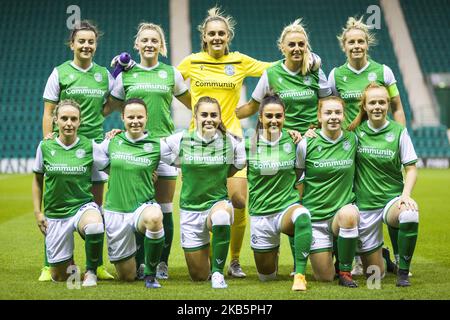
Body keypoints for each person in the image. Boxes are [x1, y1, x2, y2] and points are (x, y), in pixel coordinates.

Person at [177, 7, 321, 278]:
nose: (217, 37)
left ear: (228, 35)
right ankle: (206, 254)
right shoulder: (192, 62)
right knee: (200, 197)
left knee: (239, 200)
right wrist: (193, 106)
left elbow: (276, 67)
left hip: (232, 138)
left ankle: (233, 260)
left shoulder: (239, 60)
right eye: (212, 34)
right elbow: (171, 82)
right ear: (204, 37)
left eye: (221, 33)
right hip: (198, 140)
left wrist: (311, 57)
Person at [107, 22, 191, 280]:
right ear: (137, 45)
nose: (149, 44)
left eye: (154, 40)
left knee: (164, 207)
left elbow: (194, 105)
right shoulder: (127, 75)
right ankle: (142, 262)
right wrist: (113, 76)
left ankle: (161, 263)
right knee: (139, 207)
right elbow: (108, 108)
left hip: (162, 147)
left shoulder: (171, 73)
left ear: (161, 45)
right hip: (133, 149)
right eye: (145, 40)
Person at [329, 16, 407, 275]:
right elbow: (333, 110)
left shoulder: (383, 71)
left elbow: (396, 106)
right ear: (344, 46)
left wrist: (400, 137)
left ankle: (396, 256)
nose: (356, 46)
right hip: (350, 146)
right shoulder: (336, 75)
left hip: (380, 141)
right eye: (351, 42)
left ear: (367, 43)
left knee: (390, 195)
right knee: (352, 199)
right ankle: (355, 253)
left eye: (360, 41)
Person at [40, 20, 114, 281]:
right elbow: (49, 111)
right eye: (81, 41)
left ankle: (98, 264)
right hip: (64, 147)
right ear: (72, 44)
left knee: (96, 206)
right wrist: (49, 143)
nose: (86, 45)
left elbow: (110, 106)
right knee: (56, 203)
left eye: (91, 41)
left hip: (92, 148)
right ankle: (49, 264)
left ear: (95, 45)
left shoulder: (104, 75)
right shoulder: (59, 72)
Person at [160, 96, 245, 288]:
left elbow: (233, 168)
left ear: (220, 118)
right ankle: (209, 261)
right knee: (198, 275)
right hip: (190, 211)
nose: (209, 119)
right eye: (204, 114)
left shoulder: (231, 142)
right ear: (195, 117)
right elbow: (153, 152)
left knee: (222, 216)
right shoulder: (180, 139)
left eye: (214, 115)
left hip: (217, 204)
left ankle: (217, 273)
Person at [348, 83, 419, 286]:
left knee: (410, 213)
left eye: (382, 102)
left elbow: (412, 169)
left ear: (388, 104)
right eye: (372, 102)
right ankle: (381, 257)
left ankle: (403, 271)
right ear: (364, 106)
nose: (377, 106)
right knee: (373, 276)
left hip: (391, 202)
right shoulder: (356, 134)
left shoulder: (399, 132)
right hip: (365, 205)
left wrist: (405, 196)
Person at [32, 100, 105, 287]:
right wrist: (38, 212)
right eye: (64, 118)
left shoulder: (90, 146)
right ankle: (69, 264)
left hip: (82, 207)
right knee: (60, 277)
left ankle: (91, 272)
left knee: (95, 226)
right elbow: (37, 180)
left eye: (74, 119)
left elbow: (116, 167)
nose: (69, 123)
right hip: (56, 214)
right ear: (55, 120)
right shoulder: (45, 147)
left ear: (80, 122)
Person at [96, 98, 165, 288]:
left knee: (155, 217)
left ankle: (151, 274)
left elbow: (180, 162)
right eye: (131, 117)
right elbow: (99, 163)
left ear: (147, 118)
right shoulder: (112, 141)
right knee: (127, 276)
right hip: (116, 211)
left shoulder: (157, 145)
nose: (135, 121)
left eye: (140, 117)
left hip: (142, 207)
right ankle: (137, 263)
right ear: (122, 118)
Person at [245, 93, 312, 291]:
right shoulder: (249, 145)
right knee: (267, 277)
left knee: (302, 216)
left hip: (286, 209)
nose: (274, 120)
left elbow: (299, 174)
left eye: (278, 116)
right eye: (269, 116)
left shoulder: (294, 142)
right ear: (260, 117)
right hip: (261, 214)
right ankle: (274, 249)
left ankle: (299, 275)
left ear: (284, 116)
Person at [296, 96, 360, 287]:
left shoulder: (353, 139)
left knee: (349, 214)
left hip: (341, 214)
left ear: (343, 115)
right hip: (316, 218)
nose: (333, 117)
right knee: (324, 277)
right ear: (319, 116)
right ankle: (337, 250)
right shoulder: (306, 144)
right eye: (328, 113)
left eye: (338, 113)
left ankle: (345, 270)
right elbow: (298, 178)